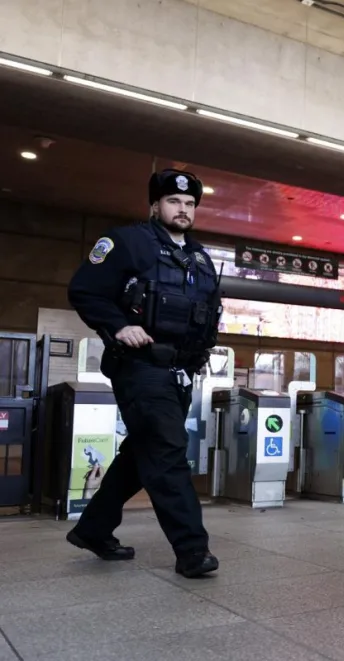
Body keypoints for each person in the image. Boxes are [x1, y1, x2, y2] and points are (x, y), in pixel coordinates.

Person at [65, 168, 223, 579]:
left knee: (143, 454)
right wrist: (118, 325)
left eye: (190, 204)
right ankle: (192, 551)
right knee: (168, 450)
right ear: (155, 205)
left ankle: (93, 529)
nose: (183, 209)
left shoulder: (201, 258)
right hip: (140, 367)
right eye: (174, 201)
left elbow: (207, 313)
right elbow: (84, 289)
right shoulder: (126, 242)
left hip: (180, 372)